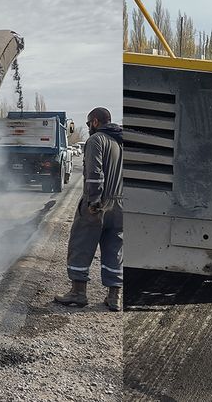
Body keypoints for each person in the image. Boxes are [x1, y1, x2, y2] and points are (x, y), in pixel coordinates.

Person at [55, 107, 124, 311]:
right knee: (115, 247)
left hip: (99, 203)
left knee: (81, 242)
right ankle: (114, 296)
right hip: (120, 205)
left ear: (95, 122)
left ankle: (78, 293)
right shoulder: (121, 142)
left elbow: (94, 173)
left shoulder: (96, 140)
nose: (88, 128)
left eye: (88, 124)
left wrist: (93, 200)